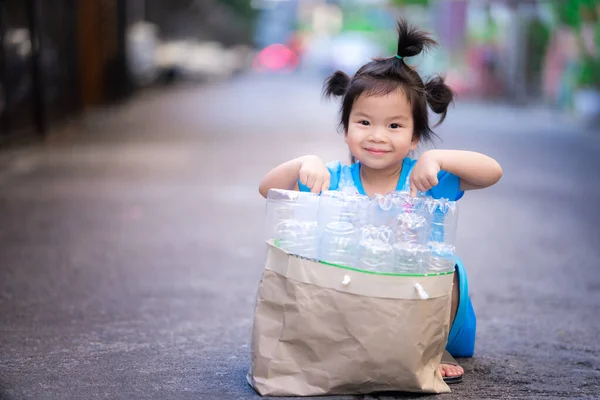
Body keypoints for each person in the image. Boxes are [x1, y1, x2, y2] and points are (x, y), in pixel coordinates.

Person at [258, 18, 503, 383]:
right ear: (345, 130)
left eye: (394, 126)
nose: (377, 136)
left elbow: (492, 171)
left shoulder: (423, 178)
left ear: (415, 136)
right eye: (364, 122)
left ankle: (433, 349)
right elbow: (268, 189)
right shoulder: (333, 179)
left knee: (450, 270)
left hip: (416, 310)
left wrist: (439, 159)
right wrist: (302, 163)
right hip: (351, 303)